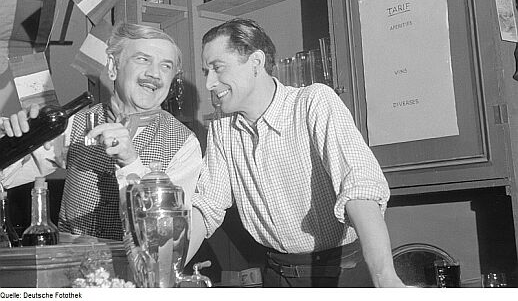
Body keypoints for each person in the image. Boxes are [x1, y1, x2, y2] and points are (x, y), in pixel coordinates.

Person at [187, 18, 404, 287]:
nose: (208, 83)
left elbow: (359, 186)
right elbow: (208, 204)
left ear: (255, 62)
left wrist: (386, 279)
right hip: (276, 273)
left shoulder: (313, 102)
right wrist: (163, 266)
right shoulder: (222, 127)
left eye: (217, 68)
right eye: (206, 71)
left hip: (341, 273)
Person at [0, 22, 202, 241]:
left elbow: (170, 234)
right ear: (114, 68)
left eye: (166, 66)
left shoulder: (184, 143)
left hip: (136, 271)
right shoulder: (75, 123)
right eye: (143, 59)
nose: (154, 73)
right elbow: (7, 177)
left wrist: (131, 162)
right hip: (70, 267)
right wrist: (14, 139)